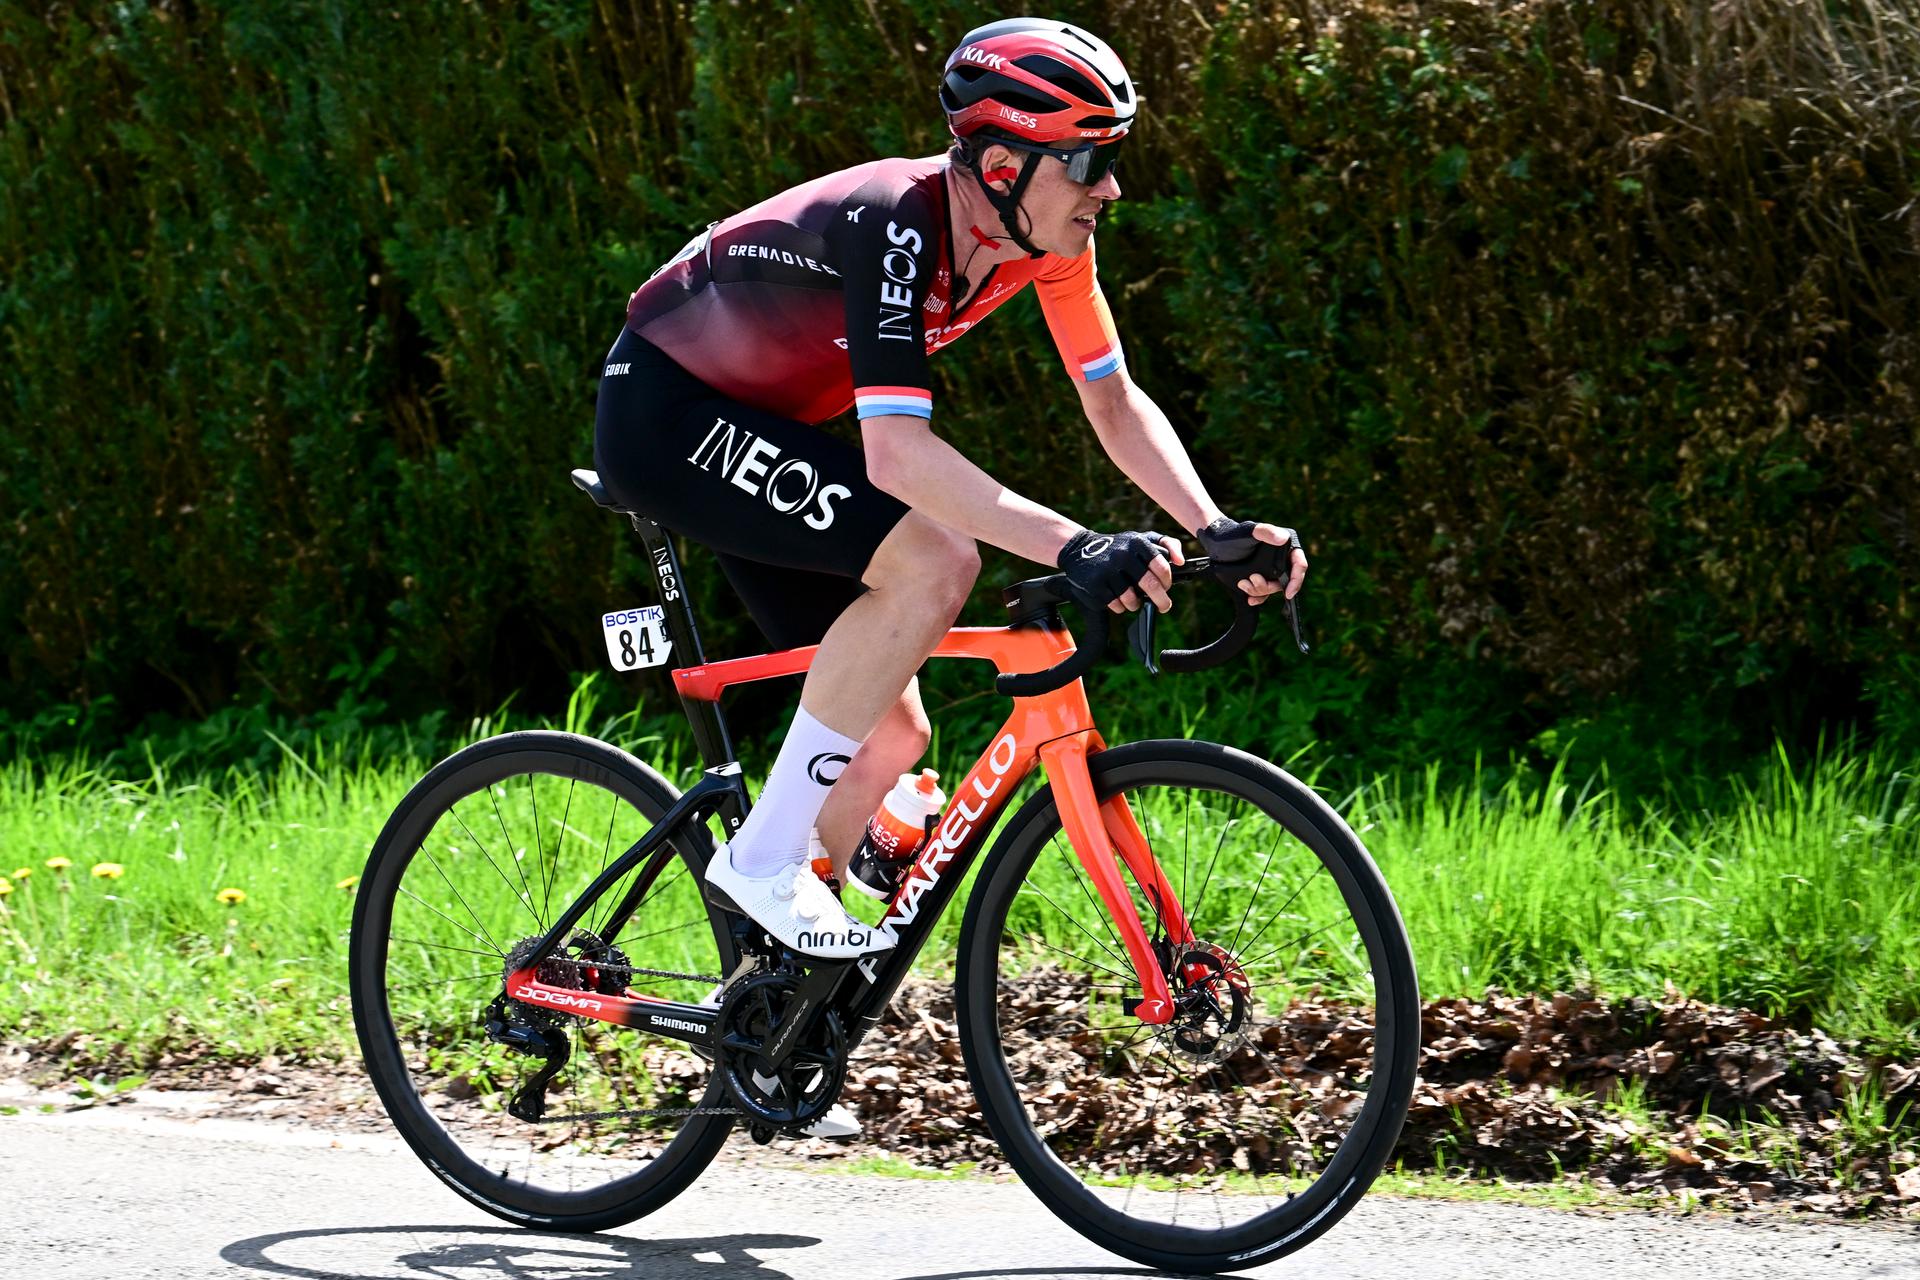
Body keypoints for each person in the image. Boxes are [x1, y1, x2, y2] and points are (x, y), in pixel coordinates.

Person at [595, 18, 1305, 967]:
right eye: (1090, 161)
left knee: (890, 732)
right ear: (1004, 163)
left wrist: (1212, 527)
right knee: (934, 562)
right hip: (668, 416)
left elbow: (1112, 399)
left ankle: (771, 1016)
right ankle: (760, 859)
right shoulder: (898, 219)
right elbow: (895, 455)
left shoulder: (1047, 244)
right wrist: (1073, 543)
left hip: (772, 432)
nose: (1111, 187)